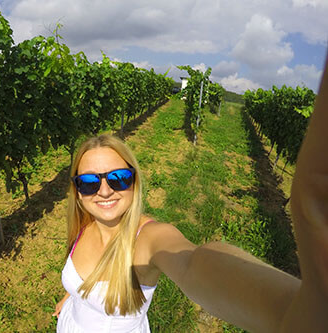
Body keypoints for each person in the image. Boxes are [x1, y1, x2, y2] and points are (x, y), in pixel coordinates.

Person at [52, 52, 328, 332]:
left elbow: (192, 262)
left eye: (118, 178)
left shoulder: (146, 240)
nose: (104, 190)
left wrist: (294, 308)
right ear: (76, 191)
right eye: (88, 182)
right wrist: (72, 296)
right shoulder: (85, 223)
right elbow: (84, 276)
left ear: (135, 180)